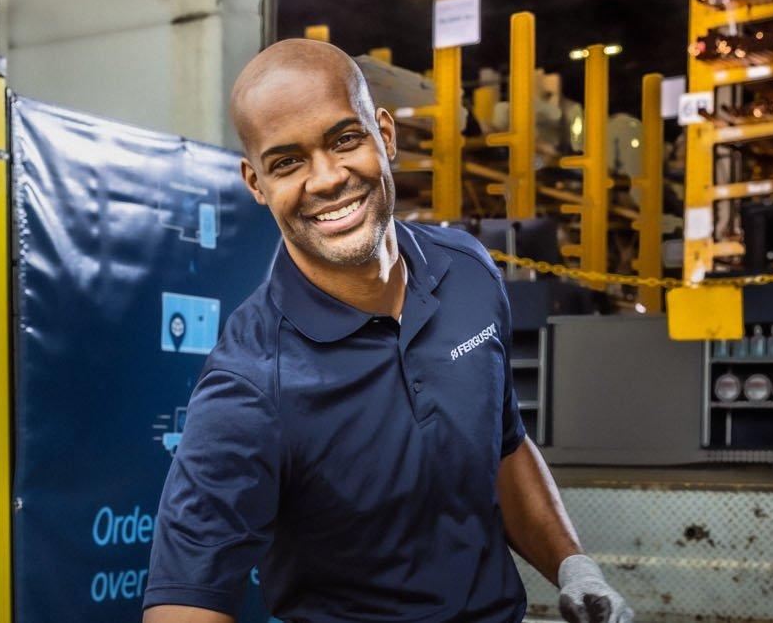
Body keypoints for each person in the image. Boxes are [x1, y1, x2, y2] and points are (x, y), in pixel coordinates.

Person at [142, 39, 634, 623]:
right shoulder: (251, 382)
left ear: (385, 134)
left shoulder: (470, 272)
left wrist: (572, 565)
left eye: (344, 139)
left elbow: (503, 445)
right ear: (256, 184)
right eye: (287, 163)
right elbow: (184, 601)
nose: (326, 179)